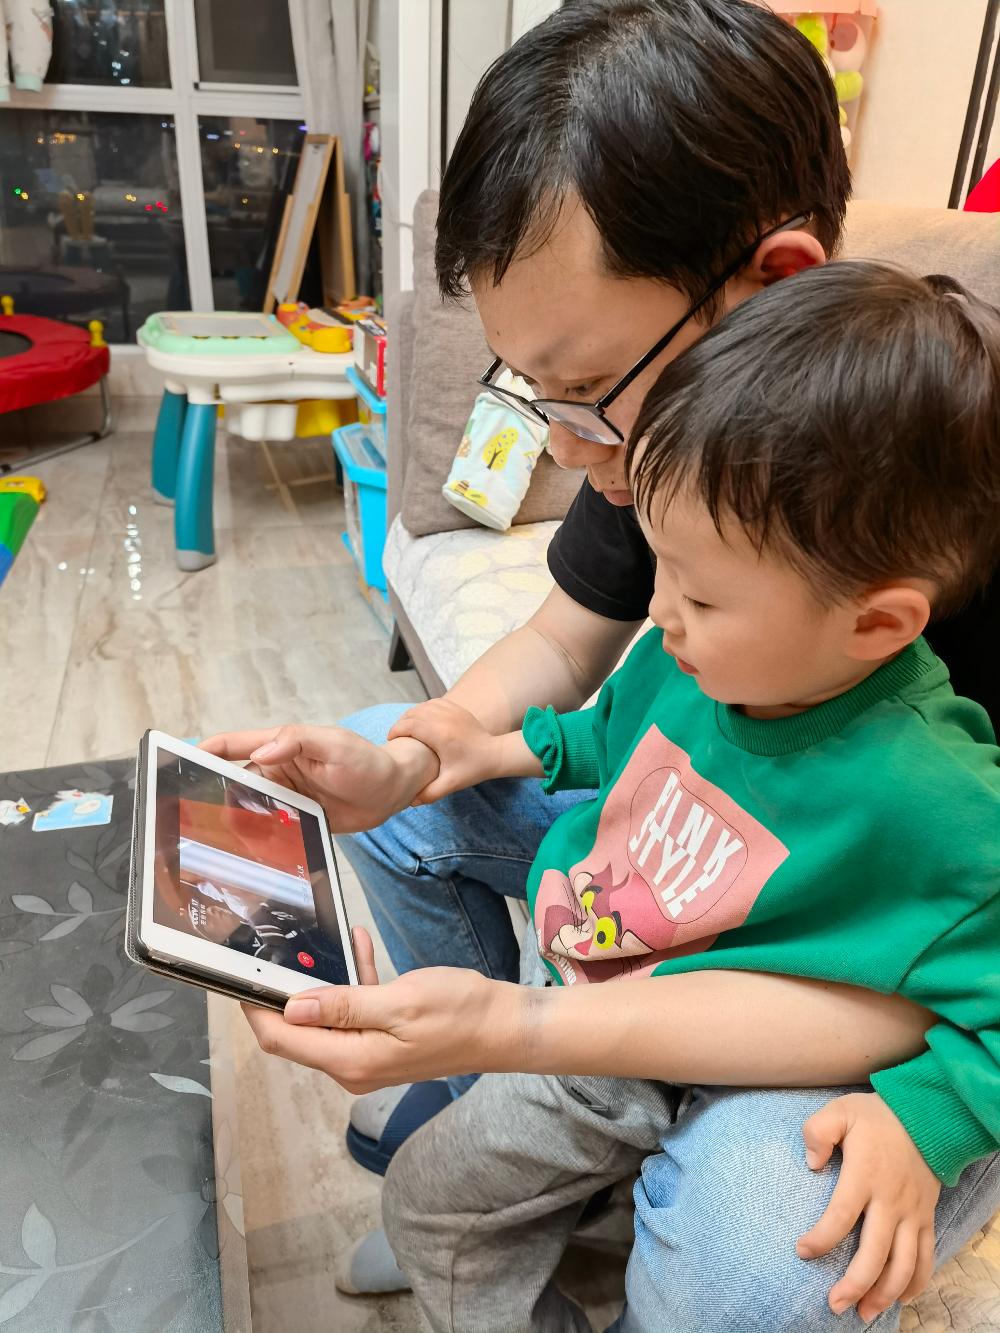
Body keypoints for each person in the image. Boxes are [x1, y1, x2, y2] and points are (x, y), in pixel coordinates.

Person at [200, 1, 1000, 1324]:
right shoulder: (691, 476)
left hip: (872, 964)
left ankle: (576, 1157)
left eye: (582, 389)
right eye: (534, 394)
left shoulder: (840, 485)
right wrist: (421, 754)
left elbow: (956, 967)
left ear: (769, 286)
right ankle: (523, 1156)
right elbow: (575, 657)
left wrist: (928, 1118)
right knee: (394, 780)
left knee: (757, 1258)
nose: (570, 450)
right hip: (701, 877)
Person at [366, 261, 1000, 1328]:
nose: (659, 612)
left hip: (747, 1048)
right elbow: (614, 733)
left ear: (878, 623)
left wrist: (924, 1121)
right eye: (658, 565)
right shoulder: (700, 656)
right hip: (605, 989)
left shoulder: (941, 796)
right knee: (429, 1201)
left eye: (700, 595)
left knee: (446, 1210)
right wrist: (492, 746)